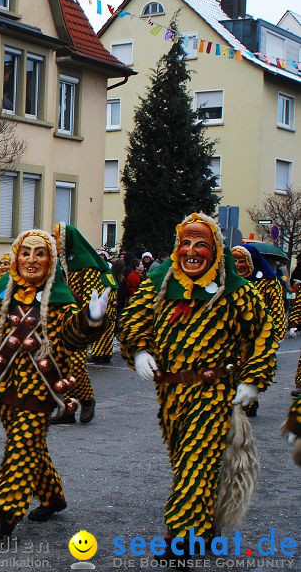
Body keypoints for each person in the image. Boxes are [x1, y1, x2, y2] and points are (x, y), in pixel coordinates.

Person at [0, 227, 108, 539]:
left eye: (39, 253)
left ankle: (3, 517)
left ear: (50, 260)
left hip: (41, 389)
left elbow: (71, 338)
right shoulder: (3, 294)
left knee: (21, 448)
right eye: (26, 252)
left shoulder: (60, 301)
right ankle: (53, 497)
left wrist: (91, 319)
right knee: (27, 444)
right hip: (4, 387)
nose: (31, 259)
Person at [119, 213, 277, 557]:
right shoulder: (161, 282)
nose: (191, 251)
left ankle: (183, 540)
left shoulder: (236, 291)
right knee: (188, 464)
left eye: (200, 244)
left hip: (213, 393)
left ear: (214, 250)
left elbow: (264, 333)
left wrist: (253, 378)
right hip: (171, 394)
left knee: (196, 461)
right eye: (186, 243)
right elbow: (135, 318)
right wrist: (140, 349)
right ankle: (202, 527)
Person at [49, 224, 116, 425]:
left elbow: (91, 297)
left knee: (75, 365)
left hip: (78, 322)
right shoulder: (60, 263)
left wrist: (85, 318)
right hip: (60, 320)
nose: (53, 238)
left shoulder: (87, 266)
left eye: (56, 236)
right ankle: (67, 410)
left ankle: (87, 400)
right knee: (60, 367)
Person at [231, 244, 286, 418]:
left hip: (258, 335)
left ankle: (250, 403)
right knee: (231, 368)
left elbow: (277, 308)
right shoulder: (230, 281)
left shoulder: (269, 282)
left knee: (252, 367)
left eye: (242, 260)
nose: (238, 265)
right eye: (235, 260)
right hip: (233, 334)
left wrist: (274, 335)